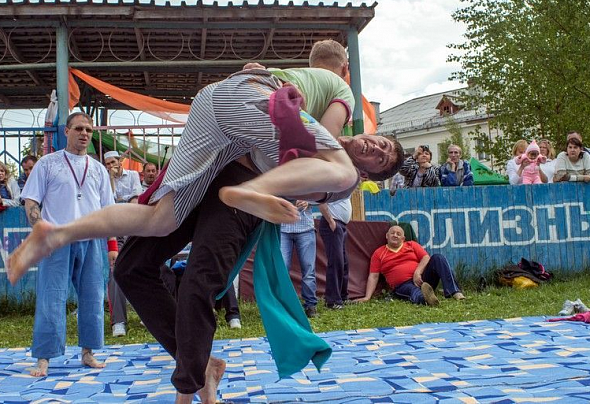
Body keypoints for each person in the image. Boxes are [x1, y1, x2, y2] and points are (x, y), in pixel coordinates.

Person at [6, 71, 404, 285]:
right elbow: (320, 142)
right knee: (340, 169)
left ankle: (57, 233)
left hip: (220, 123)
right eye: (383, 143)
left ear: (377, 173)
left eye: (382, 159)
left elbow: (292, 149)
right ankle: (247, 193)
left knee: (162, 220)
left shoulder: (323, 136)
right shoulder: (341, 95)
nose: (376, 149)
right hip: (245, 96)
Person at [18, 112, 117, 377]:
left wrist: (112, 246)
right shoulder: (47, 164)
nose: (84, 133)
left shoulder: (97, 168)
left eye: (89, 130)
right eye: (79, 129)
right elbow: (31, 201)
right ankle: (44, 358)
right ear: (66, 131)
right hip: (57, 239)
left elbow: (109, 211)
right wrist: (40, 229)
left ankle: (88, 353)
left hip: (92, 239)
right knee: (51, 297)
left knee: (93, 298)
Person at [356, 225, 464, 306]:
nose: (395, 235)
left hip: (422, 278)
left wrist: (418, 272)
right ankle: (427, 299)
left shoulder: (411, 245)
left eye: (399, 234)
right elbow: (373, 276)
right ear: (387, 236)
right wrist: (367, 297)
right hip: (402, 285)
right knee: (413, 291)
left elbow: (426, 258)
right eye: (393, 233)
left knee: (438, 258)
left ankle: (454, 292)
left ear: (403, 238)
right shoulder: (378, 253)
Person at [103, 150, 143, 337]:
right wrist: (110, 179)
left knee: (143, 269)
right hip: (114, 228)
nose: (111, 166)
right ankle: (118, 321)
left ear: (120, 161)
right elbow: (108, 203)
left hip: (133, 227)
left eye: (113, 162)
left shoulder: (133, 175)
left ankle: (148, 313)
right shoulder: (105, 179)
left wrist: (121, 205)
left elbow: (136, 202)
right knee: (115, 272)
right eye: (108, 164)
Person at [280, 200, 318, 318]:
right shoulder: (279, 182)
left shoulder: (309, 182)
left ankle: (310, 305)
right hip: (282, 228)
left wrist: (309, 202)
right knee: (282, 270)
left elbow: (320, 197)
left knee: (308, 270)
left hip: (305, 228)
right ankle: (284, 306)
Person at [318, 198, 352, 309]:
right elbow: (322, 203)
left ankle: (342, 296)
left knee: (343, 262)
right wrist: (331, 221)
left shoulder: (343, 188)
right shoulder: (331, 184)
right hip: (332, 224)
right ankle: (332, 301)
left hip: (340, 225)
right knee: (336, 261)